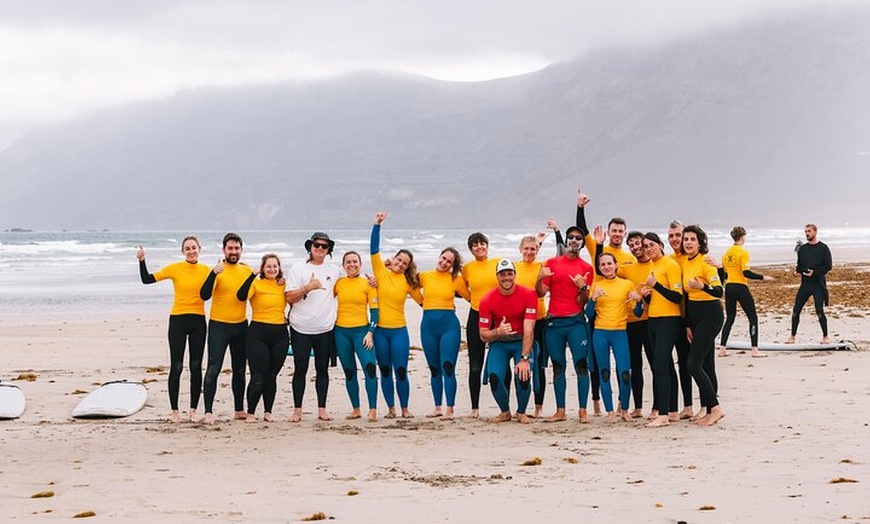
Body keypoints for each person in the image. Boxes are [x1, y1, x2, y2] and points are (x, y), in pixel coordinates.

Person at [137, 236, 211, 423]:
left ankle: (193, 410)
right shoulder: (175, 268)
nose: (191, 251)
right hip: (178, 320)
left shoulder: (206, 271)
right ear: (182, 251)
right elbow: (147, 279)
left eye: (194, 247)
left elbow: (223, 289)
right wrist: (142, 261)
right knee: (176, 367)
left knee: (196, 367)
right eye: (187, 248)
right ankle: (175, 412)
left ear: (199, 249)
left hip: (198, 321)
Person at [575, 189, 636, 417]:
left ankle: (624, 406)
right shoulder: (598, 249)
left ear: (625, 233)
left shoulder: (629, 256)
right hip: (600, 318)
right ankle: (600, 403)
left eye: (621, 231)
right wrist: (580, 208)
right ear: (609, 232)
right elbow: (581, 231)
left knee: (625, 370)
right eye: (614, 231)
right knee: (599, 368)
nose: (618, 234)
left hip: (622, 320)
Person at [535, 225, 593, 423]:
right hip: (554, 323)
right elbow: (540, 293)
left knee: (581, 365)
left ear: (582, 243)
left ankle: (583, 410)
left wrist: (583, 287)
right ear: (566, 241)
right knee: (558, 366)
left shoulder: (586, 268)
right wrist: (539, 278)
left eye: (578, 238)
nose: (574, 240)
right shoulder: (552, 262)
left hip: (576, 322)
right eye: (571, 237)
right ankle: (560, 410)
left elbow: (583, 302)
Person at [285, 232, 343, 422]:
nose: (319, 248)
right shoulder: (297, 268)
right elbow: (289, 297)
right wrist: (307, 288)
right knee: (300, 369)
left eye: (324, 246)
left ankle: (322, 409)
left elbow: (351, 282)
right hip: (300, 328)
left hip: (325, 329)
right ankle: (297, 409)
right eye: (316, 245)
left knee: (322, 370)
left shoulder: (334, 271)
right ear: (310, 246)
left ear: (329, 250)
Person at [410, 247, 470, 420]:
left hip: (449, 327)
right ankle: (437, 407)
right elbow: (408, 285)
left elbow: (472, 298)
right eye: (443, 258)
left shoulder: (456, 280)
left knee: (448, 367)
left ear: (453, 265)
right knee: (435, 369)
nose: (444, 263)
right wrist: (422, 303)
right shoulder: (425, 276)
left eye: (449, 261)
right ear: (439, 256)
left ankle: (450, 409)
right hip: (428, 327)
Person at [200, 233, 253, 425]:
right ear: (224, 250)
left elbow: (261, 291)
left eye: (236, 248)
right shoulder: (218, 270)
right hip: (218, 327)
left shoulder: (246, 271)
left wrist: (280, 280)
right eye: (230, 248)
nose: (233, 251)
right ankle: (208, 412)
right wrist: (213, 273)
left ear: (241, 250)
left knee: (240, 370)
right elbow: (204, 295)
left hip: (241, 326)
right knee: (214, 369)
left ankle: (239, 410)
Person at [370, 211, 419, 419]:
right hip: (380, 331)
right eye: (399, 260)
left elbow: (424, 301)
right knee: (384, 371)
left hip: (399, 332)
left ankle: (405, 408)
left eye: (405, 263)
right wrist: (377, 225)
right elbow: (374, 249)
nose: (400, 264)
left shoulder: (408, 282)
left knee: (400, 370)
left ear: (408, 267)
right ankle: (391, 408)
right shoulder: (381, 273)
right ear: (395, 258)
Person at [586, 248, 643, 423]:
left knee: (625, 373)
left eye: (609, 263)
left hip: (620, 333)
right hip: (600, 333)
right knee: (604, 373)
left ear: (616, 265)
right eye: (603, 264)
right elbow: (589, 314)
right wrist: (592, 299)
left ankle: (624, 409)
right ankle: (610, 411)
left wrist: (639, 300)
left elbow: (638, 313)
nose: (606, 267)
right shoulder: (597, 285)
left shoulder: (626, 285)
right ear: (600, 268)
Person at [479, 259, 538, 424]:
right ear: (497, 277)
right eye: (502, 274)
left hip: (521, 341)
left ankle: (521, 412)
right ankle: (505, 412)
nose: (506, 278)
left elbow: (529, 329)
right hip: (500, 343)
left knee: (523, 375)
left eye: (509, 274)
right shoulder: (487, 300)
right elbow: (483, 335)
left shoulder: (528, 294)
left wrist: (524, 359)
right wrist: (498, 331)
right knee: (495, 377)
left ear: (515, 275)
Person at [681, 225, 725, 426]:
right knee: (707, 364)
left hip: (711, 315)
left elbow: (718, 291)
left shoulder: (706, 263)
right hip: (696, 317)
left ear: (700, 243)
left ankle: (715, 408)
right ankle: (709, 410)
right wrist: (688, 324)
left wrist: (702, 286)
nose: (688, 242)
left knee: (693, 364)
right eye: (686, 239)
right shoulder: (684, 262)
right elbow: (686, 298)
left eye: (692, 239)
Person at [236, 254, 288, 423]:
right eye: (269, 267)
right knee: (258, 376)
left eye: (275, 266)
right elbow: (241, 296)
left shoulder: (284, 284)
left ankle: (268, 411)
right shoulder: (256, 284)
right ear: (263, 269)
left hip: (280, 334)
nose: (272, 269)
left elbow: (297, 298)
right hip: (258, 334)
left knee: (272, 375)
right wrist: (252, 275)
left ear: (279, 268)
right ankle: (251, 412)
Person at [641, 232, 683, 428]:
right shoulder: (652, 266)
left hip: (669, 320)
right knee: (665, 366)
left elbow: (676, 297)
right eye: (645, 246)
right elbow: (656, 298)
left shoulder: (670, 265)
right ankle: (673, 411)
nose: (649, 249)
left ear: (660, 244)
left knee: (659, 365)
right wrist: (646, 295)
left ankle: (663, 414)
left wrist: (655, 285)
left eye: (652, 245)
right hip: (654, 319)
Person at [333, 251, 380, 422]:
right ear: (343, 265)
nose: (351, 265)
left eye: (355, 261)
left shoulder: (368, 284)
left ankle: (373, 409)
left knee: (370, 369)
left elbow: (375, 311)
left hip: (362, 333)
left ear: (360, 264)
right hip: (341, 333)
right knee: (349, 372)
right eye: (348, 262)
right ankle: (356, 409)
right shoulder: (338, 284)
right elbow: (322, 301)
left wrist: (370, 332)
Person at [718, 226, 774, 358]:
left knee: (730, 318)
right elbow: (746, 272)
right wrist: (763, 277)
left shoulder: (726, 253)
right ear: (743, 236)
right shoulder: (743, 252)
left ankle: (722, 348)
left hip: (729, 287)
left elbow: (724, 274)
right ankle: (755, 350)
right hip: (740, 287)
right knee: (752, 317)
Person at [460, 232, 499, 418]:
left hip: (498, 316)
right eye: (475, 245)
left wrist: (538, 242)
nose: (479, 247)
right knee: (475, 364)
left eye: (482, 243)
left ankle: (503, 406)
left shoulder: (497, 263)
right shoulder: (467, 268)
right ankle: (475, 408)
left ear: (487, 245)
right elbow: (458, 286)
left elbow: (518, 273)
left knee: (499, 363)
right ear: (471, 249)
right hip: (476, 316)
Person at [618, 230, 654, 418]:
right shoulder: (627, 269)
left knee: (656, 365)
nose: (635, 247)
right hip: (631, 323)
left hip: (650, 322)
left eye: (637, 243)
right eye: (630, 244)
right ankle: (638, 407)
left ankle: (657, 407)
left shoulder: (655, 265)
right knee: (635, 366)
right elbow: (604, 269)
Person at [514, 233, 549, 418]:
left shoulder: (542, 267)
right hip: (518, 321)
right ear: (520, 250)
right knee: (520, 361)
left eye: (533, 249)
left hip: (539, 320)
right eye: (526, 248)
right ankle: (520, 406)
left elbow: (541, 294)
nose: (529, 252)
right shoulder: (513, 267)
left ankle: (538, 406)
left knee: (539, 365)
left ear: (537, 251)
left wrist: (540, 278)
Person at [667, 220, 695, 420]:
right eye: (671, 236)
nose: (675, 239)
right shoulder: (668, 260)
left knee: (687, 364)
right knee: (670, 364)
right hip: (670, 318)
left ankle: (689, 405)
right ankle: (674, 407)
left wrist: (688, 323)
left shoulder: (691, 259)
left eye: (678, 235)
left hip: (688, 318)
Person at [787, 223, 833, 344]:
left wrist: (815, 272)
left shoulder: (823, 248)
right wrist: (797, 272)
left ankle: (825, 336)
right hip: (805, 285)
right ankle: (793, 336)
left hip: (818, 284)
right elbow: (800, 265)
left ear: (815, 232)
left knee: (819, 311)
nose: (807, 234)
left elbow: (828, 266)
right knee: (796, 310)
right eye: (805, 232)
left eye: (809, 231)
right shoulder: (802, 249)